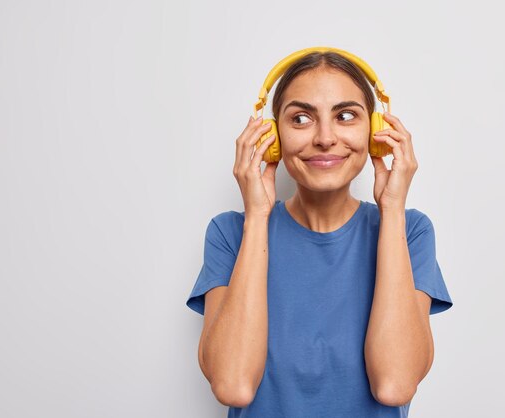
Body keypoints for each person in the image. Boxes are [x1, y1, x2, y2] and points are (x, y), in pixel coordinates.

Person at [185, 49, 454, 417]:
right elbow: (233, 385)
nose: (325, 138)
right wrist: (257, 217)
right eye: (300, 118)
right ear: (271, 134)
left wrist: (393, 211)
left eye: (345, 116)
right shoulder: (230, 233)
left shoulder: (411, 232)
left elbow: (394, 385)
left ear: (377, 131)